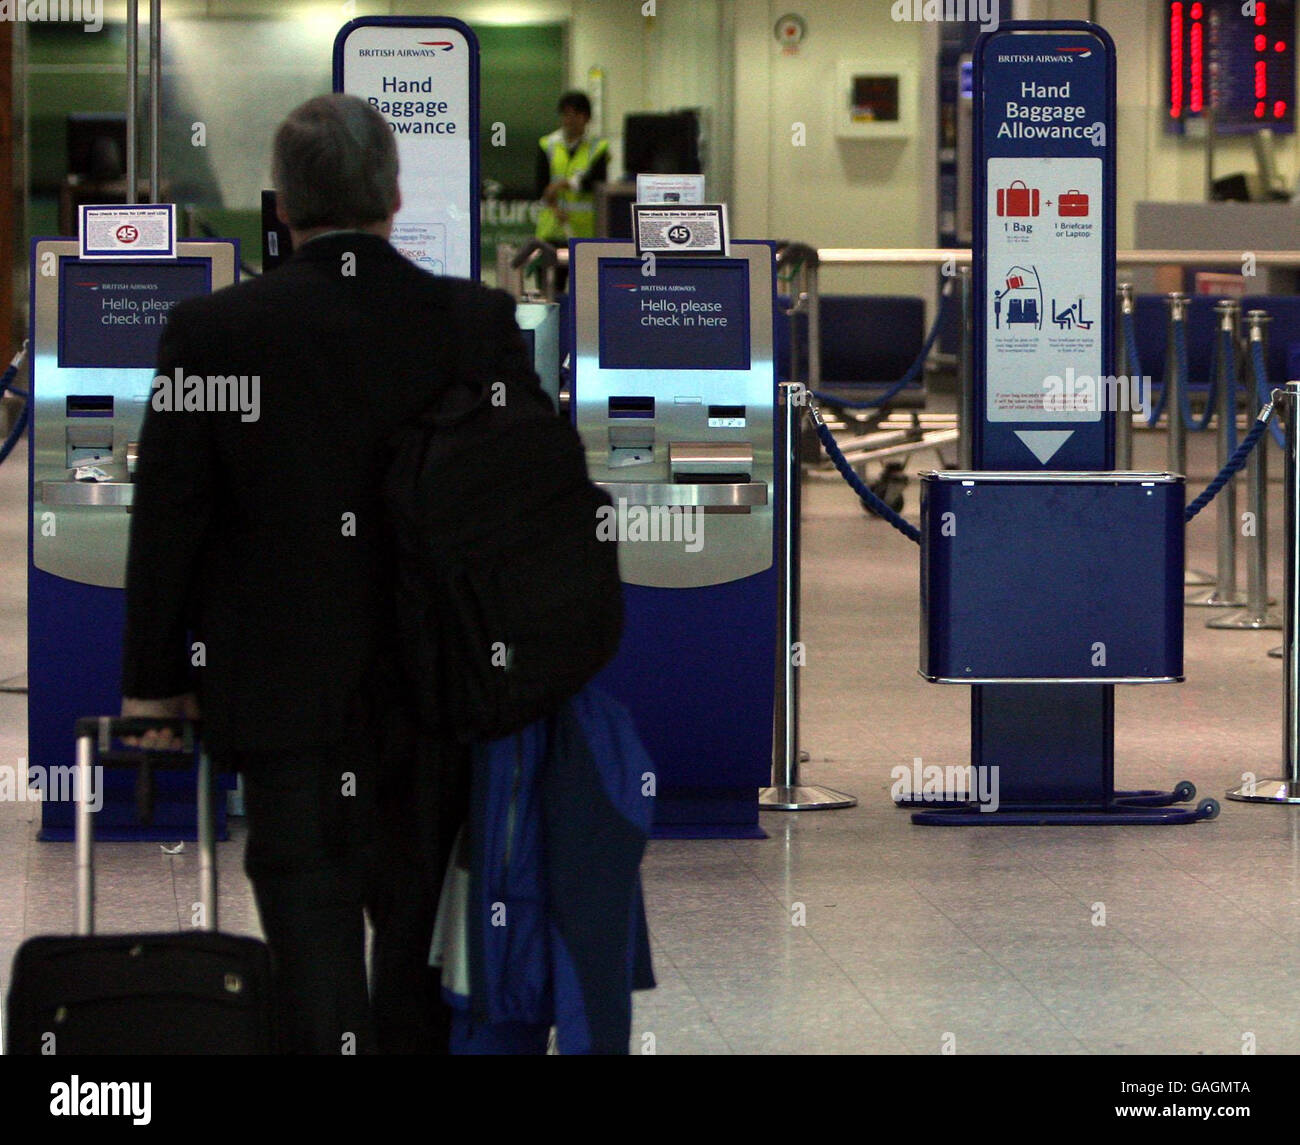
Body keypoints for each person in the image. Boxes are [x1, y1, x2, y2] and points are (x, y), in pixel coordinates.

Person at [119, 93, 550, 1054]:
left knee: (310, 933)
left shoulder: (214, 333)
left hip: (282, 696)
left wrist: (156, 680)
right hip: (439, 693)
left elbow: (171, 519)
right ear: (394, 197)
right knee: (418, 943)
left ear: (280, 206)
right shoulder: (473, 323)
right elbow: (530, 499)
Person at [535, 90, 610, 249]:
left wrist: (564, 184)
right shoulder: (547, 145)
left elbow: (597, 184)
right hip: (551, 231)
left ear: (587, 118)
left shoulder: (598, 148)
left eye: (577, 115)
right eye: (566, 114)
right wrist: (555, 208)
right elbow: (541, 186)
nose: (571, 120)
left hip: (584, 234)